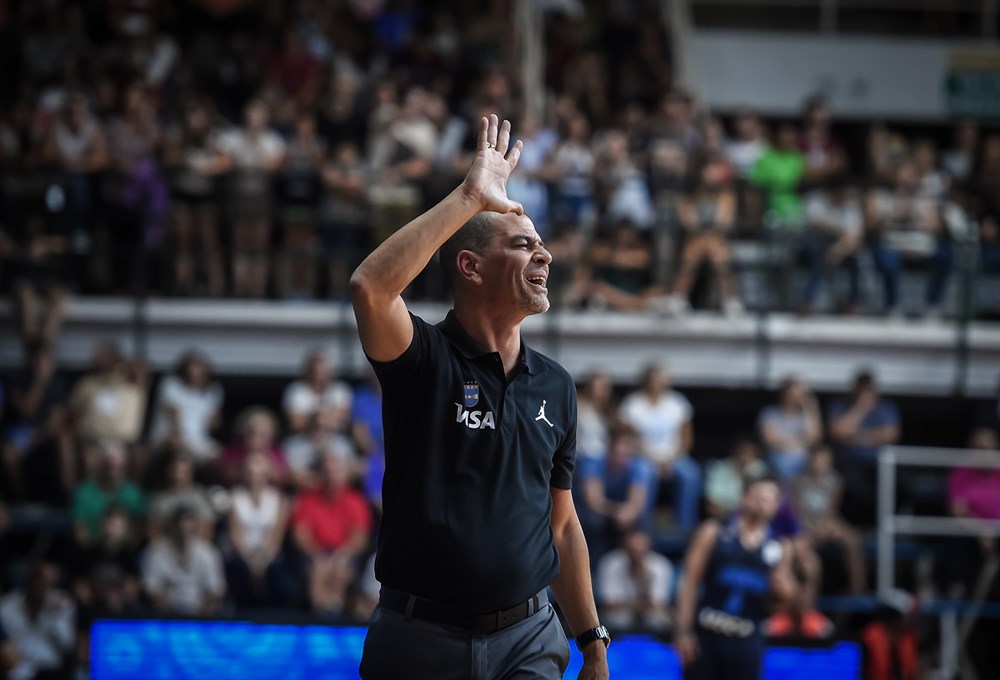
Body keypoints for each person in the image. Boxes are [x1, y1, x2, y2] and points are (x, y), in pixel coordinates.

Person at [350, 115, 608, 679]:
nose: (544, 256)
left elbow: (561, 525)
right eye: (523, 245)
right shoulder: (424, 358)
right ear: (470, 266)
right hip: (420, 639)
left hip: (530, 637)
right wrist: (469, 198)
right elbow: (370, 288)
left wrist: (592, 639)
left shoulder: (556, 384)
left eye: (541, 246)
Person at [675, 475, 793, 680]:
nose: (762, 503)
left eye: (769, 499)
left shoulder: (780, 547)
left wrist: (783, 592)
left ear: (776, 506)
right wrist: (683, 630)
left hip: (747, 639)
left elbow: (780, 604)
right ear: (744, 498)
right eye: (758, 497)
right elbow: (689, 582)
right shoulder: (714, 531)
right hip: (708, 633)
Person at [618, 363, 702, 530]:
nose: (658, 384)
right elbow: (627, 439)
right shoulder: (633, 404)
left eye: (662, 380)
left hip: (674, 458)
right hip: (642, 457)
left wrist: (671, 460)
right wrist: (652, 460)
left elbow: (686, 439)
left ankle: (685, 527)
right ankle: (643, 527)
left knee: (691, 474)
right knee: (644, 473)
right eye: (654, 380)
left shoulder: (677, 403)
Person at [290, 453, 371, 616]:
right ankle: (320, 615)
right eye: (327, 472)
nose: (332, 476)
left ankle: (335, 614)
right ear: (321, 475)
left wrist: (343, 554)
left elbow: (359, 537)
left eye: (336, 471)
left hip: (345, 552)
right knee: (318, 568)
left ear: (345, 474)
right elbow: (300, 535)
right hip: (314, 552)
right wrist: (316, 554)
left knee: (341, 568)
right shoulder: (308, 499)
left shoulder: (356, 501)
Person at [789, 444, 865, 594]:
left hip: (827, 523)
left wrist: (824, 526)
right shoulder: (798, 481)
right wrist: (808, 528)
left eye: (825, 460)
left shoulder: (836, 481)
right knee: (800, 547)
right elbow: (796, 510)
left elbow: (832, 509)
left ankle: (858, 588)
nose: (821, 463)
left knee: (853, 539)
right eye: (818, 459)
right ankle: (801, 590)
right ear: (811, 460)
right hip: (805, 525)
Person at [828, 371, 900, 526]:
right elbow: (839, 432)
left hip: (878, 464)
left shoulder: (885, 407)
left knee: (897, 488)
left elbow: (890, 435)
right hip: (851, 464)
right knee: (854, 488)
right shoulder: (842, 405)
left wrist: (856, 437)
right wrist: (861, 408)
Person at [224, 451, 290, 609]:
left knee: (275, 568)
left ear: (267, 473)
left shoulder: (278, 499)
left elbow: (276, 538)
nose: (255, 475)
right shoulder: (234, 498)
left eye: (259, 470)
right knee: (241, 569)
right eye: (251, 470)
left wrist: (262, 561)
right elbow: (235, 535)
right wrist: (251, 562)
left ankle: (273, 615)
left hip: (268, 553)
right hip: (241, 553)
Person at [148, 349, 223, 475]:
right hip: (169, 435)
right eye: (192, 368)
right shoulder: (171, 385)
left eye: (199, 370)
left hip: (196, 440)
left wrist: (216, 420)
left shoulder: (212, 393)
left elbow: (212, 424)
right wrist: (177, 434)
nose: (195, 374)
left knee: (220, 457)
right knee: (177, 446)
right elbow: (172, 412)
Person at [141, 505, 226, 616]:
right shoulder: (156, 551)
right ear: (172, 526)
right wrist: (168, 608)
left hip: (201, 614)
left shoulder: (208, 552)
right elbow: (150, 588)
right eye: (179, 525)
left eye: (187, 525)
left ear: (194, 527)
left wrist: (201, 611)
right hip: (165, 614)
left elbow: (217, 590)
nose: (183, 529)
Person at [0, 562, 75, 680]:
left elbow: (67, 644)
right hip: (17, 669)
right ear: (30, 581)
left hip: (51, 671)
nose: (45, 588)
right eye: (42, 581)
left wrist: (54, 617)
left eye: (51, 584)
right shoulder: (6, 606)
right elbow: (4, 643)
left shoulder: (62, 605)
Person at [596, 527, 673, 632]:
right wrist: (639, 605)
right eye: (633, 551)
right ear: (625, 548)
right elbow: (608, 603)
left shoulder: (661, 566)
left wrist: (644, 580)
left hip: (648, 613)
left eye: (641, 552)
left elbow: (659, 604)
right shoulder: (610, 563)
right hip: (620, 615)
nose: (637, 555)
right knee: (619, 619)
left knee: (656, 620)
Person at [757, 376, 822, 482]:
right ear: (784, 393)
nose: (795, 397)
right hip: (778, 460)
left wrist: (808, 409)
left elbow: (814, 439)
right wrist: (799, 440)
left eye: (800, 394)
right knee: (781, 465)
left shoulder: (806, 415)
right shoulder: (770, 413)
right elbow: (771, 440)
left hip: (803, 461)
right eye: (792, 393)